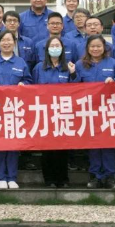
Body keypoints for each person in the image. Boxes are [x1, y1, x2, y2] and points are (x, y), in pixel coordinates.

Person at [0, 29, 32, 189]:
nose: (6, 43)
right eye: (3, 40)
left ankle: (12, 177)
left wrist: (24, 84)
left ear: (14, 43)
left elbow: (29, 80)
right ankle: (0, 177)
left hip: (15, 109)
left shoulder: (20, 62)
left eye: (10, 40)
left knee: (13, 144)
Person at [74, 35, 115, 190]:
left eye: (98, 46)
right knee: (94, 145)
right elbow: (73, 87)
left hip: (109, 111)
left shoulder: (114, 64)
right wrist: (72, 74)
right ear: (87, 48)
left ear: (104, 48)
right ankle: (95, 176)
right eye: (92, 46)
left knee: (109, 144)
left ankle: (110, 176)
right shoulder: (80, 65)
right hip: (88, 111)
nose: (95, 49)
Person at [32, 36, 76, 188]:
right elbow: (32, 89)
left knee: (62, 148)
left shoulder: (68, 67)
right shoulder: (39, 68)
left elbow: (76, 89)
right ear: (47, 49)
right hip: (45, 113)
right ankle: (49, 179)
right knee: (47, 148)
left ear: (62, 49)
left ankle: (63, 178)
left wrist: (73, 74)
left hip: (63, 113)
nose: (55, 48)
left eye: (58, 45)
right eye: (52, 45)